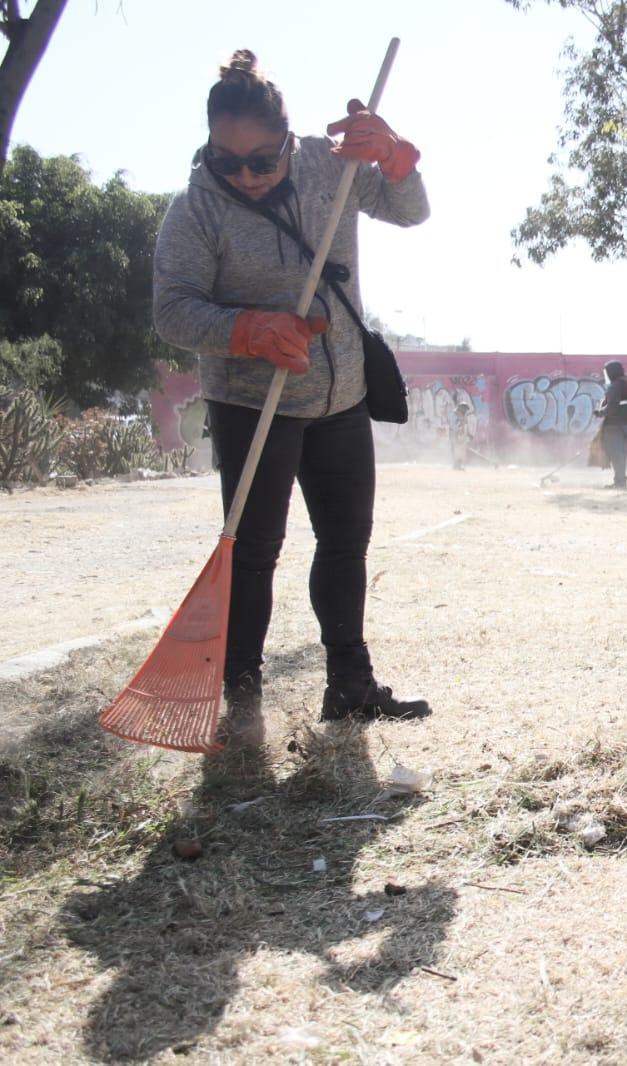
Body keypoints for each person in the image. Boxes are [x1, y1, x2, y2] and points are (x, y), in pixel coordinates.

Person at [153, 50, 433, 737]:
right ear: (209, 148)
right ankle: (241, 700)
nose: (245, 176)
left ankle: (350, 684)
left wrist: (395, 159)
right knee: (253, 550)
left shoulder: (328, 166)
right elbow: (173, 311)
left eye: (262, 160)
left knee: (346, 541)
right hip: (253, 400)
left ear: (289, 139)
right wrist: (247, 328)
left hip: (340, 391)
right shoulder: (195, 209)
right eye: (227, 161)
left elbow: (410, 211)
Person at [597, 360, 627, 489]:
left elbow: (611, 407)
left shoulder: (615, 386)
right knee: (621, 453)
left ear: (612, 372)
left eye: (607, 372)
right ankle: (621, 480)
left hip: (615, 424)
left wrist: (600, 412)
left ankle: (620, 482)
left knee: (616, 454)